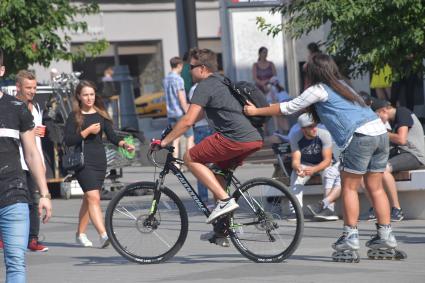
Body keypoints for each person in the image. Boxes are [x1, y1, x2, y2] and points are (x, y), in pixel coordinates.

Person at [244, 53, 405, 262]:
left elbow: (288, 107)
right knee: (375, 188)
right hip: (380, 134)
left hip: (360, 136)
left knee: (349, 188)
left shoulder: (318, 89)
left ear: (313, 72)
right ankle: (386, 237)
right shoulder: (342, 84)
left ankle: (350, 237)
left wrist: (256, 110)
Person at [156, 48, 263, 246]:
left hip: (234, 138)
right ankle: (222, 230)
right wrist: (173, 132)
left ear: (202, 68)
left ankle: (224, 200)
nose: (188, 71)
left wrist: (164, 142)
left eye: (191, 67)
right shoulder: (222, 81)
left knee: (190, 157)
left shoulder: (204, 86)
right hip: (252, 138)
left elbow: (188, 121)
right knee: (218, 175)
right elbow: (194, 118)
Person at [0, 48, 52, 283]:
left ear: (2, 71)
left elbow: (31, 153)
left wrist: (45, 194)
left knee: (15, 263)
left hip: (13, 193)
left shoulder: (16, 108)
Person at [64, 80, 134, 248]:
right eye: (86, 95)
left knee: (89, 199)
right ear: (79, 97)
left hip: (99, 161)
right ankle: (104, 234)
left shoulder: (101, 114)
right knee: (94, 197)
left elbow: (111, 135)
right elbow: (68, 140)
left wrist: (124, 144)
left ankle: (80, 234)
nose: (89, 98)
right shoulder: (74, 116)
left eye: (92, 95)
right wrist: (86, 132)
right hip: (83, 162)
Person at [367, 98, 425, 221]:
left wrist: (382, 133)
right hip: (400, 154)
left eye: (377, 117)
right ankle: (376, 207)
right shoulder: (393, 121)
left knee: (383, 169)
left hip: (413, 155)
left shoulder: (402, 112)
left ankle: (396, 209)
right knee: (366, 169)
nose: (377, 121)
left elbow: (401, 139)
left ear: (383, 110)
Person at [15, 70, 49, 252]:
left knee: (34, 200)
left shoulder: (36, 107)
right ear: (18, 87)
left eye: (34, 87)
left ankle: (32, 239)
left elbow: (38, 137)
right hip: (15, 160)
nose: (32, 91)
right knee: (12, 200)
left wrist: (41, 162)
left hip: (32, 161)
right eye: (28, 87)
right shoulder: (10, 106)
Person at [288, 113, 341, 221]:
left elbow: (327, 160)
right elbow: (295, 160)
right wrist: (297, 168)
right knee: (295, 176)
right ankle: (295, 211)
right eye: (310, 127)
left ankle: (329, 209)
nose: (314, 129)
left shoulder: (324, 134)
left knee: (328, 173)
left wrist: (314, 169)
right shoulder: (295, 136)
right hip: (306, 164)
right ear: (303, 129)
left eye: (315, 125)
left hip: (324, 164)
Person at [163, 56, 194, 161]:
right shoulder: (179, 79)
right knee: (190, 136)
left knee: (175, 138)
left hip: (170, 112)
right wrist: (187, 112)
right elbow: (181, 98)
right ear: (179, 65)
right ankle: (189, 161)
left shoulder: (166, 79)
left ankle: (175, 163)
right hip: (179, 112)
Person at [187, 83, 214, 204]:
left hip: (200, 127)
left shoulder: (194, 89)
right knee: (216, 165)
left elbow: (194, 110)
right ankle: (221, 197)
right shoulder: (213, 86)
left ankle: (203, 199)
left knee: (199, 164)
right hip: (213, 126)